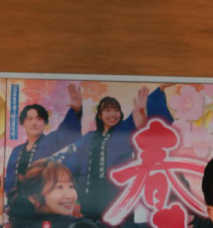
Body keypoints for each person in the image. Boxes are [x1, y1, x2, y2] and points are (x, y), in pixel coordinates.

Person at [54, 86, 172, 218]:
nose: (112, 114)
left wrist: (157, 92)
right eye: (107, 110)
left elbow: (140, 124)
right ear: (100, 114)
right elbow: (69, 157)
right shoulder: (90, 137)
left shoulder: (124, 130)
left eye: (116, 110)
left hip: (119, 198)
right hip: (91, 199)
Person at [4, 84, 83, 195]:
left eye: (39, 119)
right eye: (29, 119)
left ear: (45, 123)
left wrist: (75, 110)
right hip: (18, 203)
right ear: (23, 123)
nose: (34, 123)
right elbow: (9, 180)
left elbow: (67, 132)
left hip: (43, 201)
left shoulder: (52, 141)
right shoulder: (16, 151)